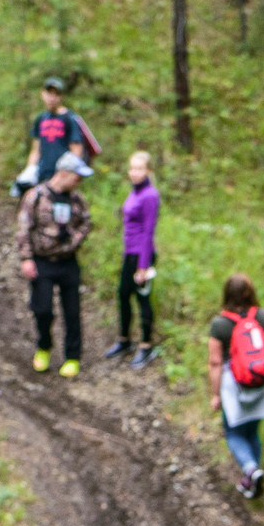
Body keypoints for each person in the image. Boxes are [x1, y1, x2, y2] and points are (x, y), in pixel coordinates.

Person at [206, 274, 264, 500]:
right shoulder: (263, 316)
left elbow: (214, 362)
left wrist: (215, 394)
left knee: (233, 432)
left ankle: (251, 470)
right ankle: (253, 475)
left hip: (235, 385)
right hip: (263, 382)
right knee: (252, 430)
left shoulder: (220, 324)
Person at [18, 152, 93, 376]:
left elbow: (86, 223)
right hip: (43, 262)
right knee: (42, 309)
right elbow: (23, 229)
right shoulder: (36, 196)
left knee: (72, 310)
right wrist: (26, 259)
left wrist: (74, 240)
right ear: (64, 174)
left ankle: (73, 356)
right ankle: (43, 346)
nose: (79, 183)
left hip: (68, 262)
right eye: (77, 177)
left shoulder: (77, 199)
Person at [107, 152, 160, 366]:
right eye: (132, 168)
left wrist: (143, 266)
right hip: (129, 253)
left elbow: (148, 232)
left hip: (142, 255)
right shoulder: (134, 191)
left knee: (142, 299)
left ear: (148, 171)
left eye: (140, 169)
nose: (135, 173)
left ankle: (146, 345)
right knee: (123, 295)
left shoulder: (150, 195)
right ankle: (124, 340)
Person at [13, 76, 101, 195]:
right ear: (43, 94)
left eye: (56, 94)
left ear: (61, 96)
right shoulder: (41, 119)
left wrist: (67, 177)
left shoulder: (69, 119)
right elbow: (36, 149)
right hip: (42, 176)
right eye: (49, 93)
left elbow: (76, 151)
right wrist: (30, 170)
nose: (52, 98)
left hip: (60, 178)